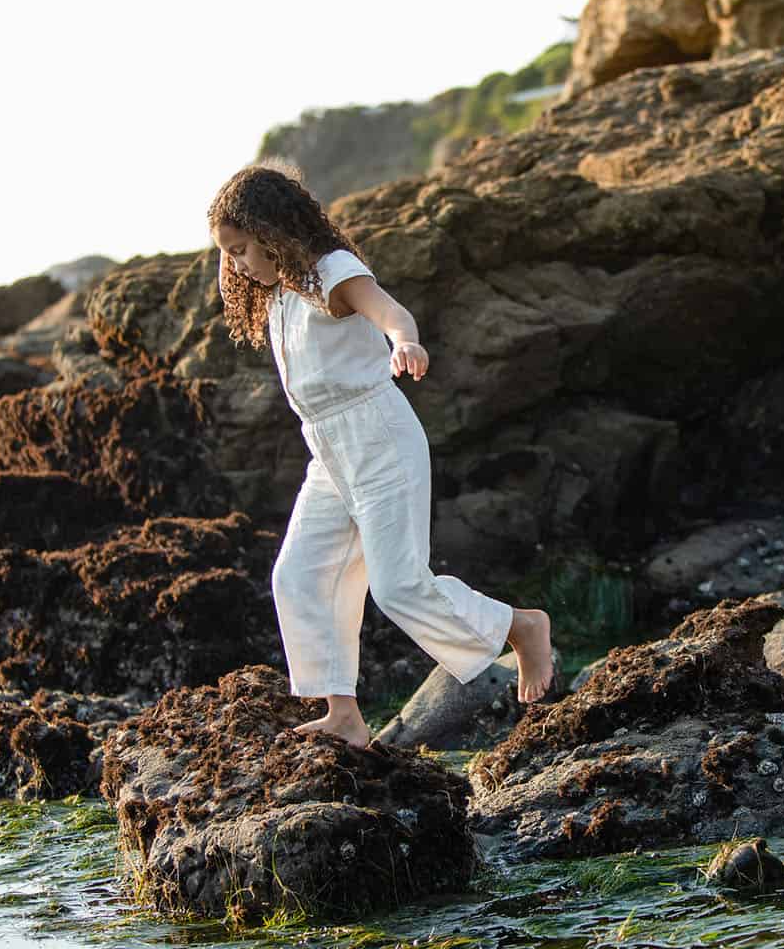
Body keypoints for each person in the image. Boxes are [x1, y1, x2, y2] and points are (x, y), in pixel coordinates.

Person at [206, 162, 553, 748]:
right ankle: (344, 713)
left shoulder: (330, 274)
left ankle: (521, 626)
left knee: (397, 586)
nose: (237, 264)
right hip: (328, 452)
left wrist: (406, 343)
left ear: (270, 232)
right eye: (229, 255)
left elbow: (391, 312)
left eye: (242, 249)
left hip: (379, 438)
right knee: (299, 576)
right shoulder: (278, 296)